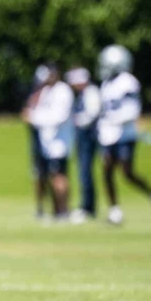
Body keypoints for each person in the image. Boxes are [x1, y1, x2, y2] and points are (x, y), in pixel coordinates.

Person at [96, 45, 151, 225]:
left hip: (125, 134)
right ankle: (114, 211)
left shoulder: (128, 82)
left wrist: (113, 119)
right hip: (108, 135)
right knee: (107, 170)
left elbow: (132, 111)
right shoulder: (106, 83)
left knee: (127, 173)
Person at [22, 64, 74, 221]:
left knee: (59, 177)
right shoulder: (45, 92)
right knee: (48, 177)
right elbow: (36, 109)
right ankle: (56, 211)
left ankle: (64, 211)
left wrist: (34, 119)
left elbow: (59, 117)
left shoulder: (63, 91)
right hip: (46, 143)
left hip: (59, 143)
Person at [65, 67, 101, 224]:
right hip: (83, 136)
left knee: (85, 172)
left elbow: (92, 115)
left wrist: (75, 120)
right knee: (83, 172)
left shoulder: (91, 92)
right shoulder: (83, 94)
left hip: (89, 137)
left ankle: (88, 207)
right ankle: (87, 206)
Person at [25, 65, 50, 220]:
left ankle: (58, 209)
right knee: (38, 175)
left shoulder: (56, 94)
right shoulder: (34, 96)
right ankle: (40, 208)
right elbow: (26, 115)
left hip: (54, 141)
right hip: (37, 140)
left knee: (54, 175)